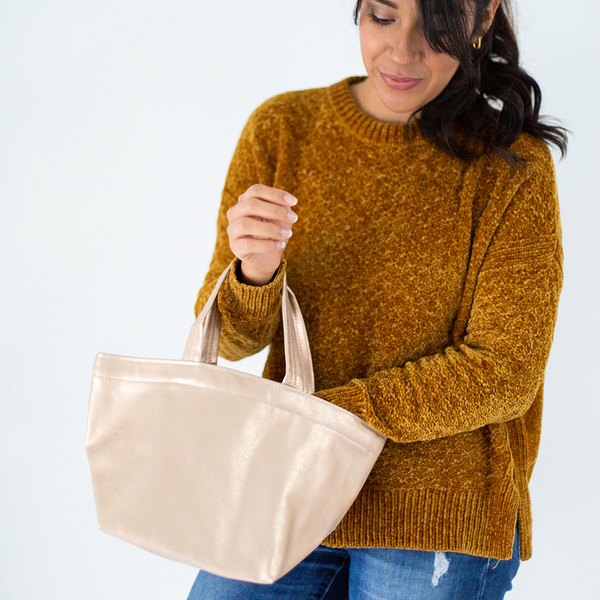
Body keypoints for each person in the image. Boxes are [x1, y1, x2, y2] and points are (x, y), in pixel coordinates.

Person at [187, 0, 568, 597]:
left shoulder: (510, 166)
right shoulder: (285, 127)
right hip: (288, 491)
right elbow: (230, 340)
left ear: (484, 15)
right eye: (383, 18)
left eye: (436, 30)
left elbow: (505, 371)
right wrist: (254, 273)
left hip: (438, 516)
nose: (401, 52)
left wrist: (320, 420)